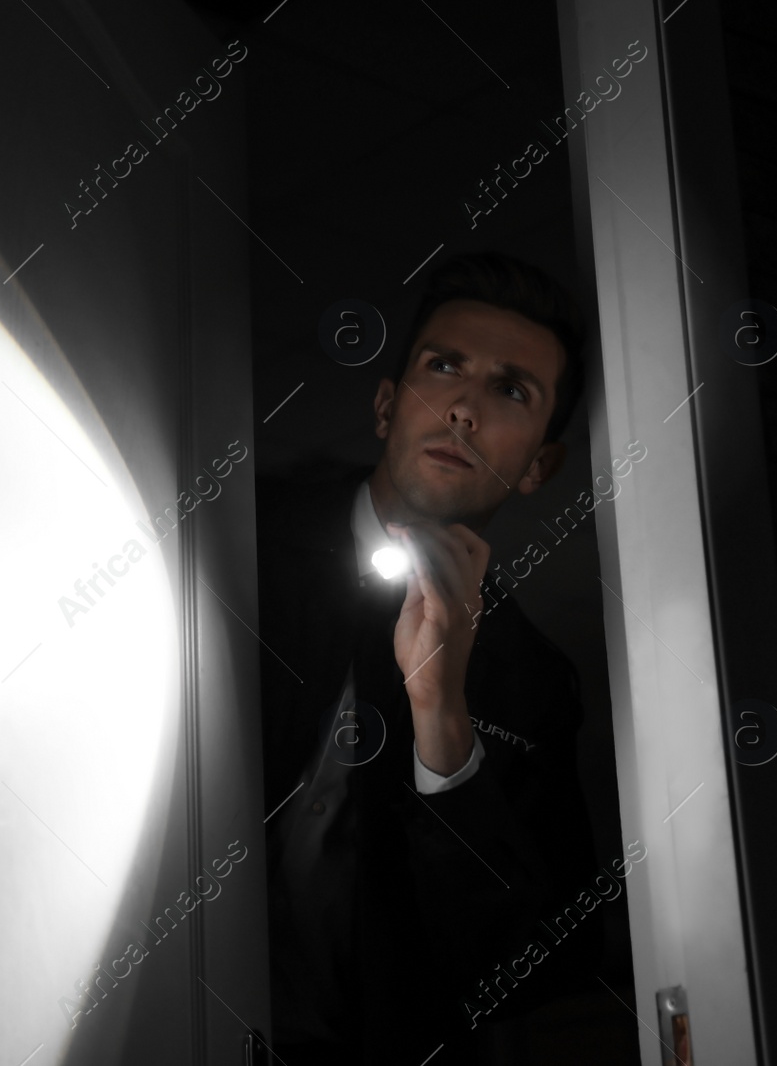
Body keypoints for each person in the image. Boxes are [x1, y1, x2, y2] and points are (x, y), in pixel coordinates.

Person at [258, 252, 604, 1064]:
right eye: (443, 367)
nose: (461, 409)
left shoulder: (532, 679)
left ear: (538, 467)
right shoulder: (236, 537)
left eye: (509, 389)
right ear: (386, 405)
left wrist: (441, 715)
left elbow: (523, 964)